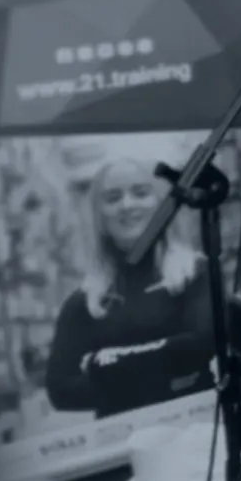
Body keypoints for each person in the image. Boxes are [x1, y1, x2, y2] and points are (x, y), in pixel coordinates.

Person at [44, 152, 214, 416]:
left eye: (140, 193)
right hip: (120, 446)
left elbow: (201, 346)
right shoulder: (84, 303)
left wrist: (102, 365)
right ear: (99, 217)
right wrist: (169, 374)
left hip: (193, 436)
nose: (127, 205)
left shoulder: (196, 274)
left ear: (161, 203)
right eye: (113, 198)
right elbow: (60, 390)